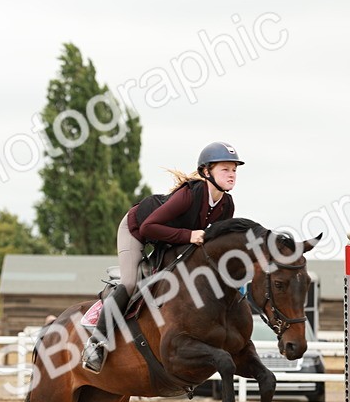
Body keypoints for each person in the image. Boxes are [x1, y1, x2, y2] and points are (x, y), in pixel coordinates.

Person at [82, 141, 243, 373]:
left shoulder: (226, 205)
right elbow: (149, 228)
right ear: (207, 172)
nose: (232, 174)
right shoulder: (189, 194)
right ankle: (96, 343)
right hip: (137, 228)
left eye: (234, 170)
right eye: (225, 169)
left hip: (170, 239)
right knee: (130, 282)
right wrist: (189, 235)